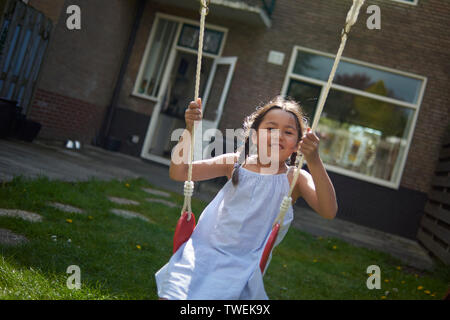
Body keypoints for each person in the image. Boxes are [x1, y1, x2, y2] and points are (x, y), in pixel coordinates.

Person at [155, 95, 338, 299]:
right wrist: (189, 129)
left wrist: (314, 160)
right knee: (175, 294)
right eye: (270, 129)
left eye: (288, 132)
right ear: (254, 135)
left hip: (243, 264)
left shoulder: (295, 179)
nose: (278, 136)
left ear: (297, 144)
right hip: (203, 250)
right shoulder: (234, 163)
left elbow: (328, 210)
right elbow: (179, 172)